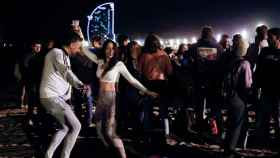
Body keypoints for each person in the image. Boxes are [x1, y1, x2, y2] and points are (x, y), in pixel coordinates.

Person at [82, 38, 158, 158]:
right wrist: (79, 33)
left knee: (110, 132)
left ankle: (122, 155)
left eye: (113, 48)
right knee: (98, 126)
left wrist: (147, 91)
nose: (110, 51)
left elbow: (132, 80)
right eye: (108, 48)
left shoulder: (118, 64)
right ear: (104, 49)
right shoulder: (100, 61)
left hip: (110, 98)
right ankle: (109, 149)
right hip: (101, 98)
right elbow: (84, 49)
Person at [40, 31, 87, 158]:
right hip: (51, 97)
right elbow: (66, 72)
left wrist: (68, 97)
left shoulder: (64, 56)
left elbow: (64, 80)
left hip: (54, 97)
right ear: (72, 44)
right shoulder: (56, 53)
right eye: (78, 46)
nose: (78, 50)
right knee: (76, 126)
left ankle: (48, 155)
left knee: (65, 128)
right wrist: (80, 84)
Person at [138, 33, 173, 138]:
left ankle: (147, 133)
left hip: (148, 85)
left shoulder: (143, 56)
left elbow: (139, 72)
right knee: (164, 111)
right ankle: (166, 133)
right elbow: (170, 72)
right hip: (162, 85)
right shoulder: (164, 55)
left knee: (147, 110)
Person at [223, 34, 252, 158]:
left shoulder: (229, 60)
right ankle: (230, 149)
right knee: (237, 124)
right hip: (239, 97)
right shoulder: (244, 63)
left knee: (230, 122)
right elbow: (247, 84)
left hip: (228, 94)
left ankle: (227, 147)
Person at [255, 28, 280, 149]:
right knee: (264, 117)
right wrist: (257, 86)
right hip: (266, 91)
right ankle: (264, 140)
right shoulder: (264, 52)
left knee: (278, 117)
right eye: (268, 37)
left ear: (278, 38)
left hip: (278, 92)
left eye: (271, 37)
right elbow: (258, 71)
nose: (268, 39)